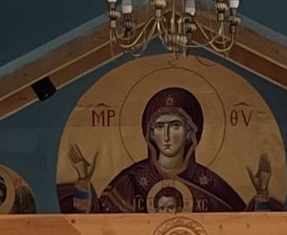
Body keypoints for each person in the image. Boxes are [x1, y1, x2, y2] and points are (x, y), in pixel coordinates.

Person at [96, 87, 249, 214]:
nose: (166, 136)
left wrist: (260, 198)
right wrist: (84, 186)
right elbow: (96, 225)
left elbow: (244, 224)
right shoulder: (130, 181)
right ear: (150, 133)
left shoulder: (211, 185)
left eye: (175, 126)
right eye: (159, 127)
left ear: (190, 133)